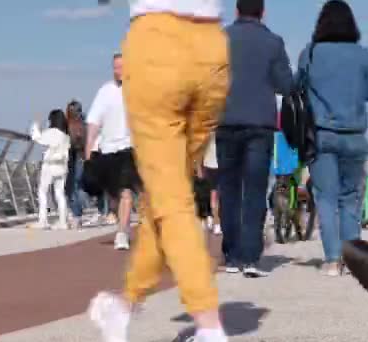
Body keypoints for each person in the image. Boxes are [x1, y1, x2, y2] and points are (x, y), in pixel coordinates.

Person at [88, 0, 229, 341]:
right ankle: (126, 303)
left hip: (157, 44)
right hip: (212, 48)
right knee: (167, 190)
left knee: (172, 198)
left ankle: (210, 327)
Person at [217, 0, 293, 277]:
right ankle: (250, 257)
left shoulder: (220, 39)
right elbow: (286, 85)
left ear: (236, 11)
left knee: (229, 191)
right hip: (260, 124)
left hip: (225, 122)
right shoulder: (273, 42)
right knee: (254, 190)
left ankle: (232, 255)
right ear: (263, 12)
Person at [299, 0, 368, 276]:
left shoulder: (311, 53)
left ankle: (331, 260)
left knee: (326, 197)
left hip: (321, 135)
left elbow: (296, 86)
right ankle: (353, 261)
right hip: (354, 135)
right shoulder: (363, 55)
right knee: (350, 198)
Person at [85, 53, 141, 251]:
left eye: (123, 67)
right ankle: (121, 221)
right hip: (108, 150)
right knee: (114, 195)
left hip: (130, 148)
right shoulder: (105, 91)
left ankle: (122, 233)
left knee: (126, 192)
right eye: (116, 67)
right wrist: (88, 150)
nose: (119, 71)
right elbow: (93, 122)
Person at [30, 109, 71, 230]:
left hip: (50, 165)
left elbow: (37, 138)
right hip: (62, 167)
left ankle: (43, 220)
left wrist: (35, 126)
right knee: (60, 193)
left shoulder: (51, 132)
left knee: (42, 191)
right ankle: (63, 222)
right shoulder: (65, 135)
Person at [65, 100, 87, 230]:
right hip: (80, 156)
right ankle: (78, 214)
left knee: (73, 185)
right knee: (78, 184)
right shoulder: (84, 124)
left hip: (73, 156)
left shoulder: (69, 125)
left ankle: (76, 214)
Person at [202, 132, 222, 235]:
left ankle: (211, 218)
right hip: (218, 164)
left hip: (208, 163)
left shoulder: (207, 128)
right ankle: (216, 223)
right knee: (217, 195)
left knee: (212, 194)